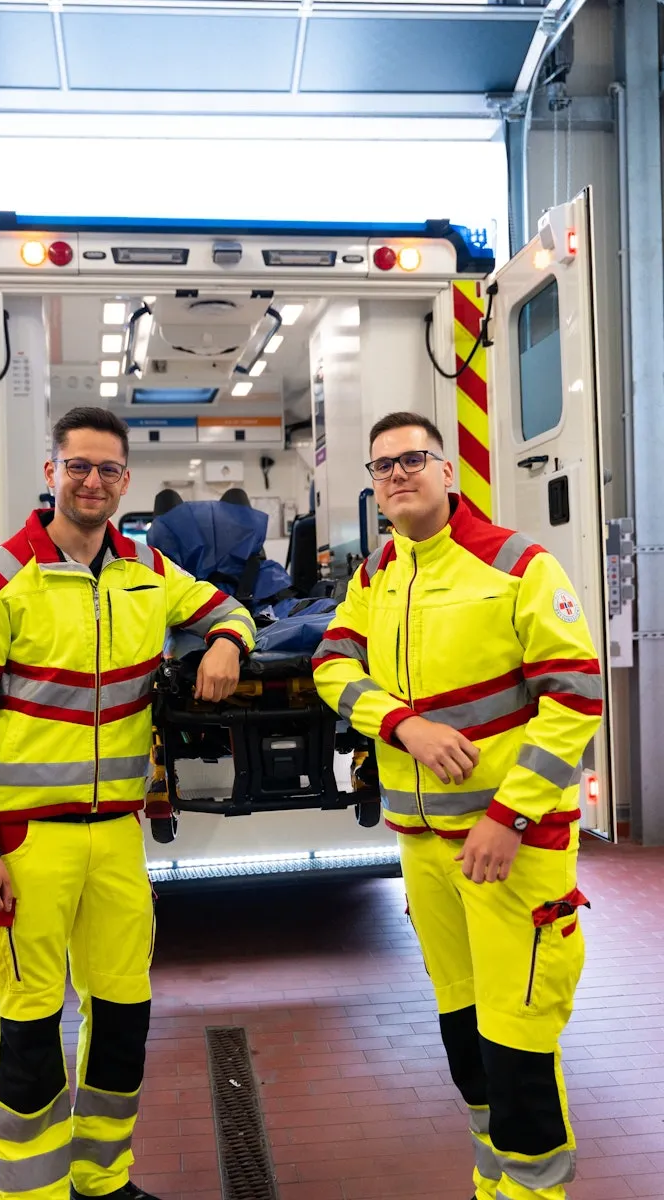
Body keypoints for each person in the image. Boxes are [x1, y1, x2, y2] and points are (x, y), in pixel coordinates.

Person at [0, 406, 255, 1200]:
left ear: (126, 481)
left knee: (124, 1015)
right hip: (25, 845)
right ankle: (35, 1193)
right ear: (51, 474)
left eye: (108, 470)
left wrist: (224, 642)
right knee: (32, 1027)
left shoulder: (147, 568)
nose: (92, 481)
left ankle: (102, 1180)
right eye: (77, 466)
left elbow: (228, 609)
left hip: (116, 836)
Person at [313, 412, 602, 1200]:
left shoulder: (517, 565)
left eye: (412, 459)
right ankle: (493, 1186)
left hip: (513, 847)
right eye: (382, 467)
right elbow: (332, 664)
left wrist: (509, 817)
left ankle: (534, 1191)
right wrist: (404, 723)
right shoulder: (377, 574)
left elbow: (575, 698)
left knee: (518, 1039)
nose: (397, 475)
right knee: (466, 1034)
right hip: (423, 846)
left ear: (449, 472)